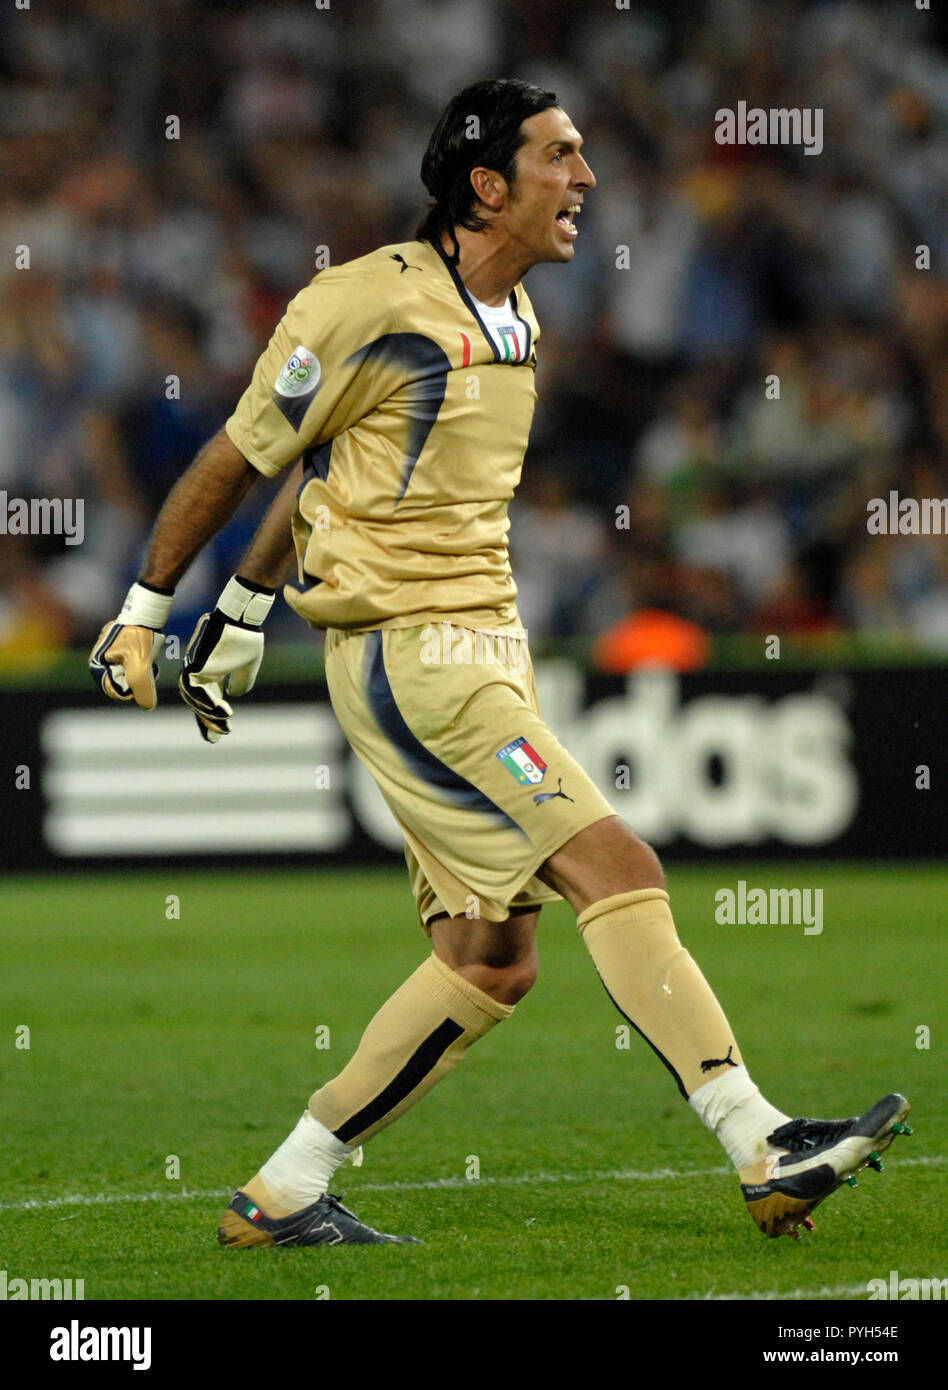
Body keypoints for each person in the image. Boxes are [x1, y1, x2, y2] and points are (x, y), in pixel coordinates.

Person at [89, 79, 910, 1248]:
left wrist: (244, 607)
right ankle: (760, 1139)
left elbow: (330, 475)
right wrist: (145, 610)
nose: (584, 179)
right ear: (487, 185)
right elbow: (244, 452)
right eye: (559, 158)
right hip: (418, 661)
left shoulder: (518, 319)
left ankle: (282, 1191)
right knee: (615, 862)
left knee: (490, 957)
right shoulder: (363, 300)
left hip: (482, 654)